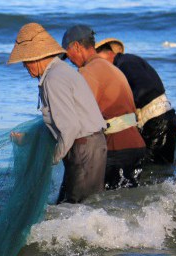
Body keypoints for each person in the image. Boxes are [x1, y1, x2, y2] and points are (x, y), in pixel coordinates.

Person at [8, 23, 107, 203]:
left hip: (84, 148)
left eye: (25, 62)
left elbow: (70, 127)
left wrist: (51, 159)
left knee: (77, 210)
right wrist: (28, 138)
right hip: (89, 145)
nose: (25, 67)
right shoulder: (60, 72)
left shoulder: (53, 79)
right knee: (78, 207)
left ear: (35, 57)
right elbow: (60, 123)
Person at [61, 25, 147, 189]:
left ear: (77, 47)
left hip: (118, 148)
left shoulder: (88, 72)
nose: (70, 61)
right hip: (136, 145)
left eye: (68, 55)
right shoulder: (111, 68)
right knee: (126, 204)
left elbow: (79, 115)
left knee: (103, 204)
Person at [95, 38, 176, 165]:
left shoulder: (124, 65)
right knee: (162, 168)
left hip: (157, 123)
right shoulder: (130, 60)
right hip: (166, 118)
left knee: (151, 170)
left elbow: (143, 89)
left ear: (107, 54)